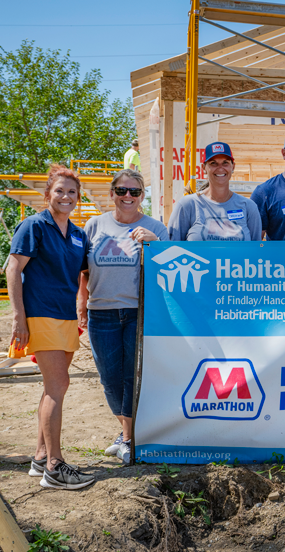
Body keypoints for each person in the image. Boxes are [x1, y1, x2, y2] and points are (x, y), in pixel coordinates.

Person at [8, 164, 94, 490]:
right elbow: (13, 269)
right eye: (59, 190)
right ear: (48, 194)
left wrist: (82, 303)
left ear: (78, 197)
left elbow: (84, 273)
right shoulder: (34, 225)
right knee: (58, 385)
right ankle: (56, 468)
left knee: (52, 387)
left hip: (66, 316)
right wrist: (18, 317)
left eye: (72, 192)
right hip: (40, 314)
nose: (66, 196)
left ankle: (41, 456)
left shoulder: (77, 234)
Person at [78, 169, 168, 465]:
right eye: (121, 191)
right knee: (109, 377)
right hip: (100, 312)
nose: (127, 197)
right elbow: (83, 271)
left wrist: (155, 243)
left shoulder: (155, 227)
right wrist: (81, 303)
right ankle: (127, 431)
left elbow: (169, 270)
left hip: (138, 313)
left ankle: (128, 437)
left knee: (133, 376)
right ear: (112, 194)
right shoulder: (94, 225)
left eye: (134, 192)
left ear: (143, 196)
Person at [168, 142, 262, 241]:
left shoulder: (249, 207)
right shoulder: (188, 205)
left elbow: (256, 251)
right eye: (213, 163)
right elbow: (170, 250)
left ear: (233, 166)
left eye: (225, 162)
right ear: (204, 168)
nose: (220, 167)